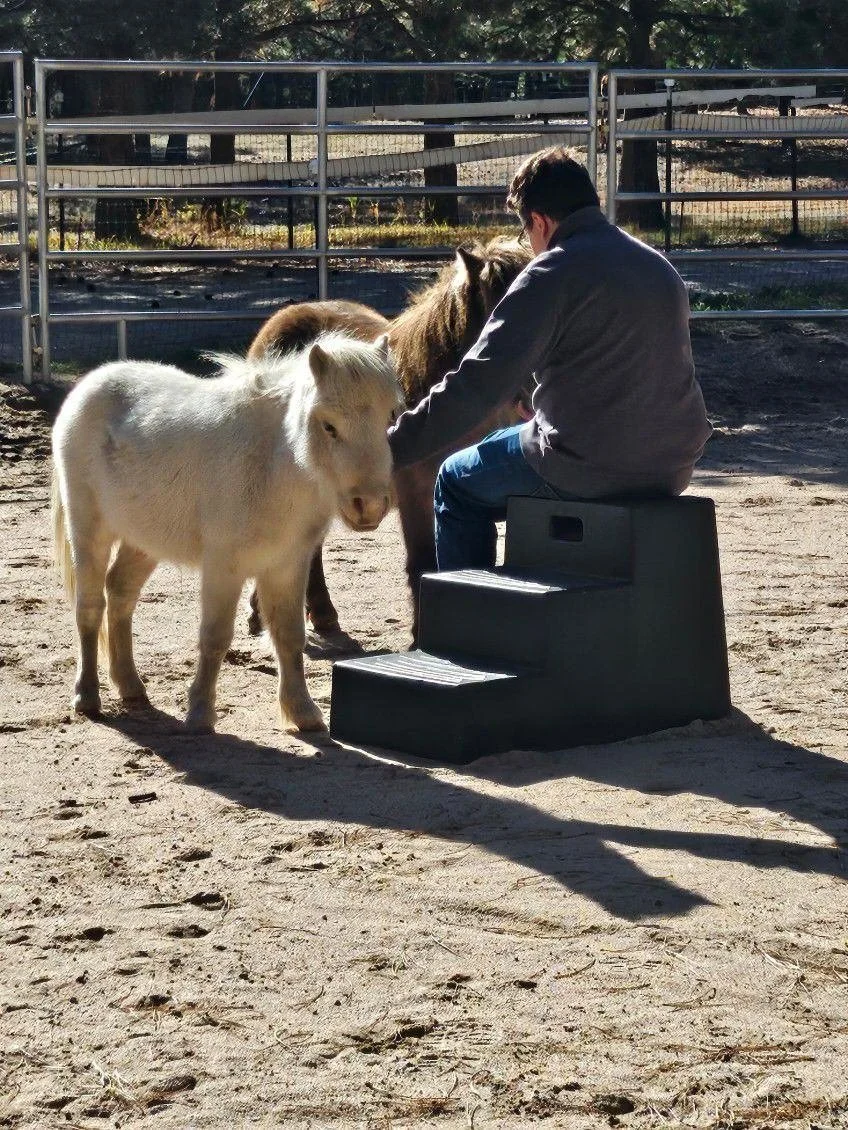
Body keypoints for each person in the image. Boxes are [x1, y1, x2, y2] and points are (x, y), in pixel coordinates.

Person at [386, 146, 712, 572]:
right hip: (673, 465)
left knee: (455, 480)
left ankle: (466, 626)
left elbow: (475, 387)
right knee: (495, 445)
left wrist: (390, 447)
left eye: (527, 233)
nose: (530, 245)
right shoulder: (657, 266)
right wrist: (543, 403)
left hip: (587, 468)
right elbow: (624, 367)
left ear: (539, 222)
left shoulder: (548, 275)